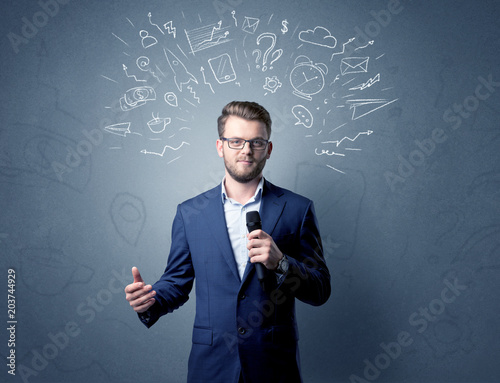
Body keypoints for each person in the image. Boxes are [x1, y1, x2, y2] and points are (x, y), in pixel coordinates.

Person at [124, 101, 331, 383]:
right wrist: (150, 301)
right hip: (212, 367)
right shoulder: (190, 213)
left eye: (256, 142)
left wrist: (281, 263)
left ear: (268, 149)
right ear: (220, 146)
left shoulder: (297, 209)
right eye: (236, 141)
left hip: (274, 367)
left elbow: (319, 289)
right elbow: (176, 283)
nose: (246, 150)